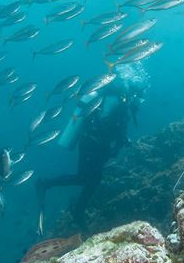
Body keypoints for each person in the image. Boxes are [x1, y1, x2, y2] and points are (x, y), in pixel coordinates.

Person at [36, 64, 147, 230]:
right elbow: (113, 125)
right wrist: (119, 141)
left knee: (86, 178)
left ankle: (51, 188)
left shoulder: (115, 98)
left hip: (90, 142)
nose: (138, 104)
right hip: (94, 144)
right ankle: (72, 207)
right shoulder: (122, 102)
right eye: (139, 98)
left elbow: (113, 126)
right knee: (90, 180)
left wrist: (118, 141)